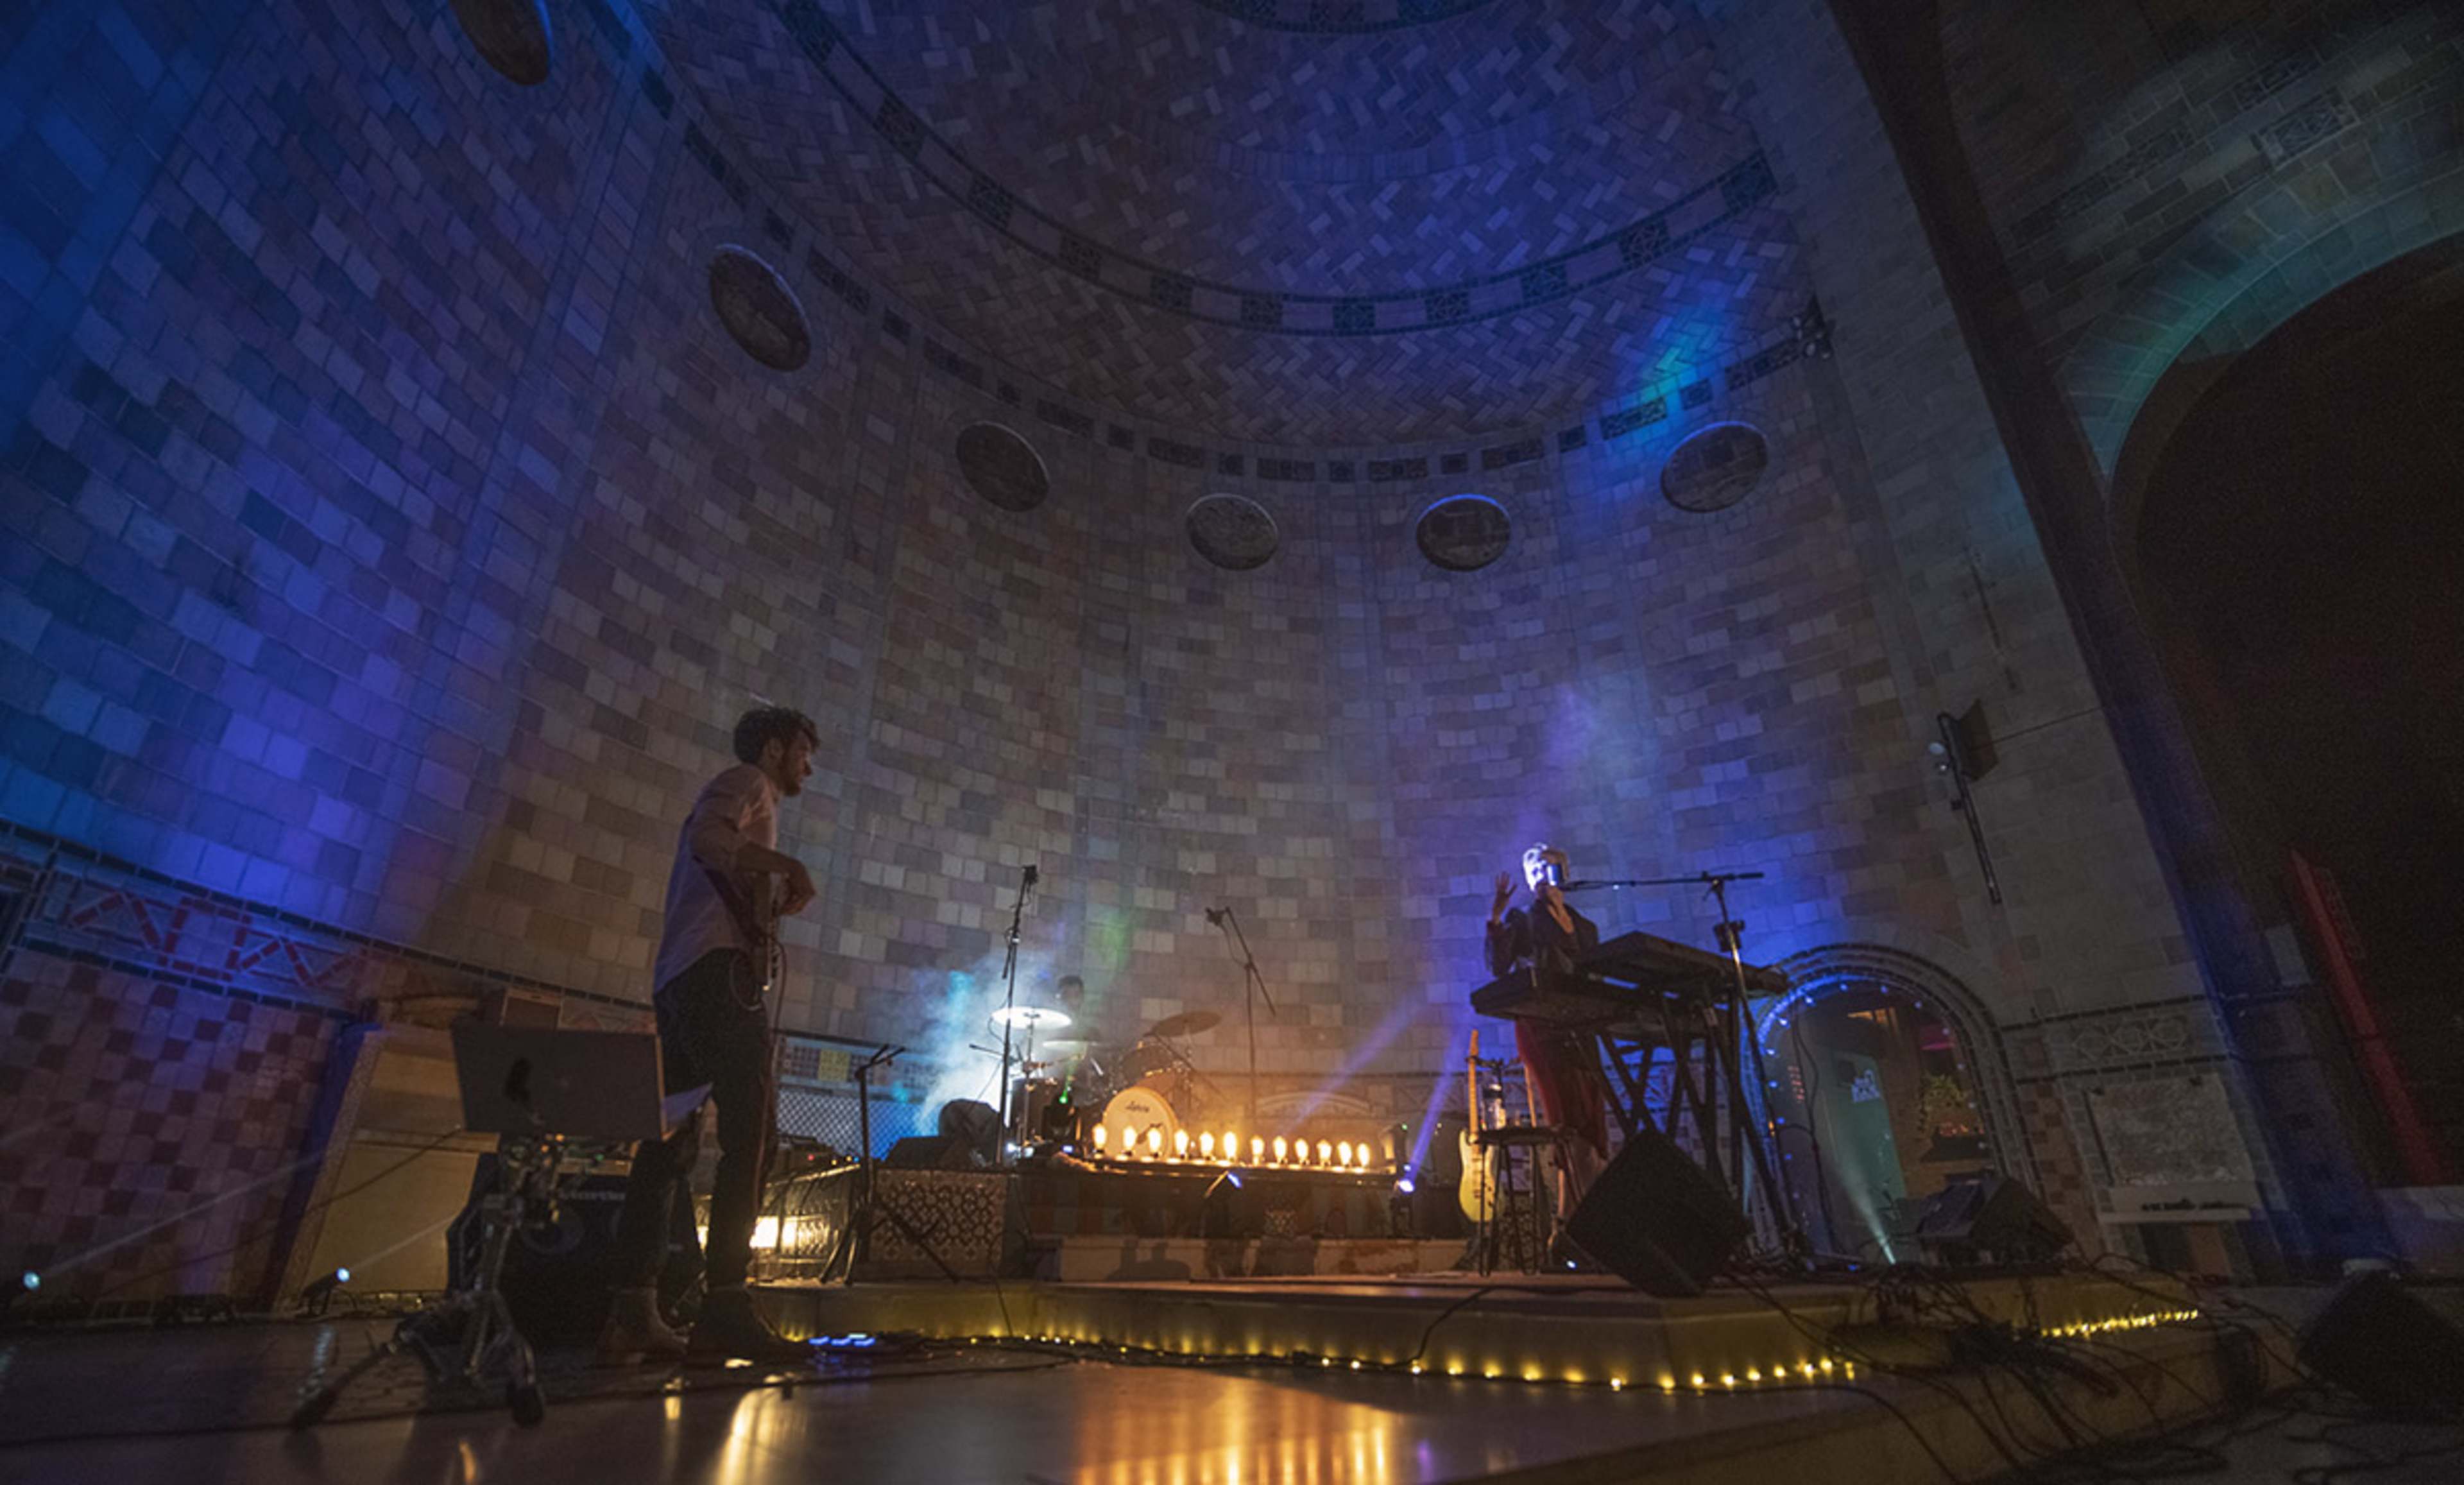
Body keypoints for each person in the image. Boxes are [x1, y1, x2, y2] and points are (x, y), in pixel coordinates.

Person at [601, 706, 820, 1365]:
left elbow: (718, 864)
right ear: (776, 748)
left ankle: (632, 1309)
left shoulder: (746, 795)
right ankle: (726, 1303)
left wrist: (765, 899)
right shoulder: (748, 782)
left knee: (668, 1142)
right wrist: (792, 866)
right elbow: (708, 841)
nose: (807, 767)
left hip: (681, 980)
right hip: (715, 980)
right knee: (753, 1133)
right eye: (804, 753)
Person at [1484, 843, 1613, 1224]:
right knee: (1565, 1116)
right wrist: (1495, 919)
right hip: (1543, 1026)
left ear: (1564, 873)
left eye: (1549, 868)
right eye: (1534, 870)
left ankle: (1594, 1218)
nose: (1541, 875)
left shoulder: (1586, 927)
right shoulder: (1522, 920)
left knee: (1592, 1118)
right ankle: (1568, 1223)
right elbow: (1499, 967)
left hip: (1583, 1026)